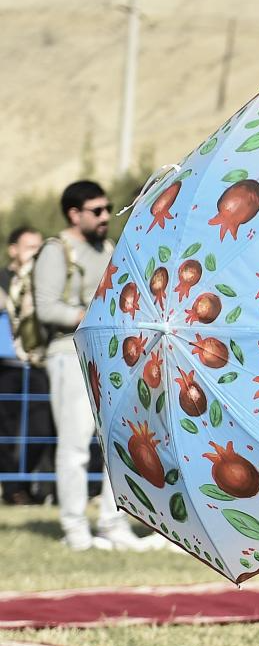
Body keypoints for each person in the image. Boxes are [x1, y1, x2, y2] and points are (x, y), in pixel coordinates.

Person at [33, 181, 161, 551]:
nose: (106, 216)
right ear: (74, 214)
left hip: (109, 354)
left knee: (118, 442)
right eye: (97, 210)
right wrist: (94, 315)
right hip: (68, 354)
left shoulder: (107, 248)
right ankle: (74, 529)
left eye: (107, 208)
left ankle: (112, 523)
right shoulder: (56, 250)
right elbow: (46, 308)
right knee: (75, 446)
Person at [0, 226, 55, 504]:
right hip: (5, 365)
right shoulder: (3, 278)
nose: (35, 253)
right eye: (30, 247)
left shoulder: (44, 280)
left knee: (41, 429)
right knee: (5, 433)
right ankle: (14, 491)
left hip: (36, 364)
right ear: (13, 250)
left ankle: (22, 484)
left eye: (39, 248)